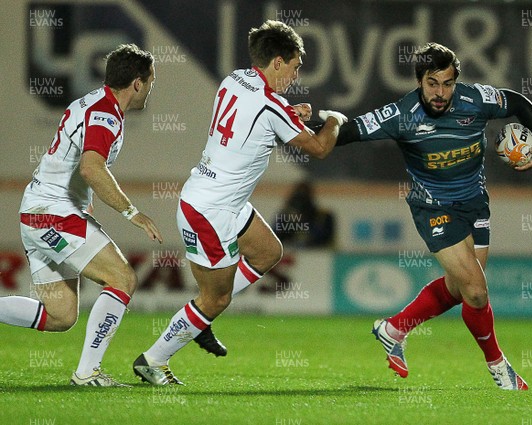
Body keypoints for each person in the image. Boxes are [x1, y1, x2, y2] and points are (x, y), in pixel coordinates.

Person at [132, 20, 347, 385]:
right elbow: (320, 147)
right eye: (295, 67)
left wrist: (291, 114)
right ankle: (152, 359)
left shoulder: (234, 79)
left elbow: (256, 118)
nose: (295, 76)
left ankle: (200, 319)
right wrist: (335, 121)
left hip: (221, 200)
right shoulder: (272, 104)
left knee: (268, 254)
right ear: (277, 62)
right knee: (215, 299)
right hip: (209, 211)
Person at [334, 43, 532, 390]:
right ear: (419, 81)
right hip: (433, 208)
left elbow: (519, 103)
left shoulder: (476, 99)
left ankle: (393, 330)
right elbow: (346, 131)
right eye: (432, 83)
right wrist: (311, 120)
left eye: (448, 83)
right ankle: (499, 368)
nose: (441, 93)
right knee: (478, 293)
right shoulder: (401, 114)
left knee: (461, 289)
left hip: (475, 204)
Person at [0, 44, 162, 386]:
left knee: (60, 315)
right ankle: (87, 373)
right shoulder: (106, 113)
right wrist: (132, 212)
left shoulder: (93, 102)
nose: (151, 87)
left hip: (39, 213)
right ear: (137, 83)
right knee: (123, 279)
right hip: (53, 213)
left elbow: (81, 168)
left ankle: (88, 371)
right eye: (150, 80)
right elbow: (91, 168)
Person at [274, 180, 335, 248]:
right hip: (290, 252)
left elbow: (324, 239)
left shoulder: (323, 217)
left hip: (317, 255)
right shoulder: (285, 218)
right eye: (298, 198)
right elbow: (275, 238)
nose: (301, 203)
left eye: (304, 198)